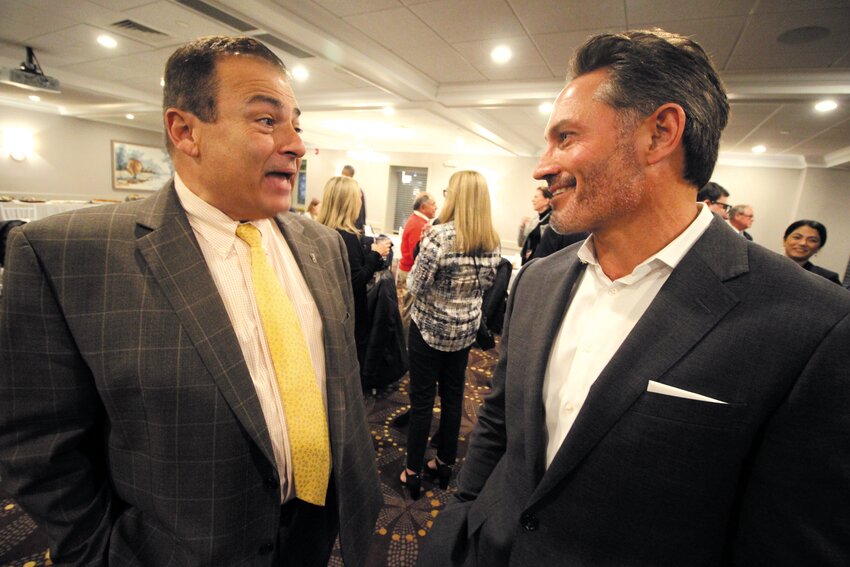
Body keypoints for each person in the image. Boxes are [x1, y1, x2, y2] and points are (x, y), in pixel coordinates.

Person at [419, 29, 850, 566]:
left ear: (660, 133)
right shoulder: (537, 281)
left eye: (565, 138)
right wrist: (460, 519)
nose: (541, 165)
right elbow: (500, 424)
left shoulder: (813, 325)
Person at [0, 36, 381, 567]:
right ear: (186, 131)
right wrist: (97, 554)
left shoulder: (322, 245)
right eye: (268, 121)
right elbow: (40, 445)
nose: (296, 144)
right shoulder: (65, 254)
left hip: (314, 533)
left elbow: (338, 384)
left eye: (297, 123)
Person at [401, 170, 501, 500]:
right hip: (464, 333)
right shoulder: (492, 241)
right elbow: (486, 288)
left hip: (429, 331)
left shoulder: (439, 237)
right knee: (454, 399)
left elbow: (414, 284)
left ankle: (413, 471)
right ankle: (444, 466)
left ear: (454, 197)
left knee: (422, 402)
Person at [317, 175, 391, 384]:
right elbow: (355, 281)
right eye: (358, 197)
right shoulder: (346, 236)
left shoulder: (321, 230)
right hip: (349, 312)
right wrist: (375, 255)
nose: (360, 202)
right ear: (348, 202)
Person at [397, 192, 437, 330]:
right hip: (409, 272)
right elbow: (418, 255)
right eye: (433, 204)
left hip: (407, 270)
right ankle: (405, 346)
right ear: (423, 207)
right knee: (408, 312)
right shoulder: (418, 224)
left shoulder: (418, 221)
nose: (436, 208)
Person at [783, 219, 843, 285]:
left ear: (819, 247)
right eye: (797, 237)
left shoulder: (826, 278)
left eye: (812, 240)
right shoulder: (770, 266)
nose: (803, 243)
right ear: (784, 240)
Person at [516, 186, 552, 264]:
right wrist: (522, 227)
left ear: (546, 200)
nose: (532, 200)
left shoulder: (552, 222)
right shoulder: (535, 220)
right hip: (526, 263)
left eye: (536, 197)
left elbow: (548, 250)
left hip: (539, 265)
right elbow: (520, 243)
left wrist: (534, 254)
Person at [341, 164, 367, 230]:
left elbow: (361, 212)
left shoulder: (356, 191)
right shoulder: (341, 189)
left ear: (350, 176)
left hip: (353, 226)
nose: (343, 177)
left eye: (345, 175)